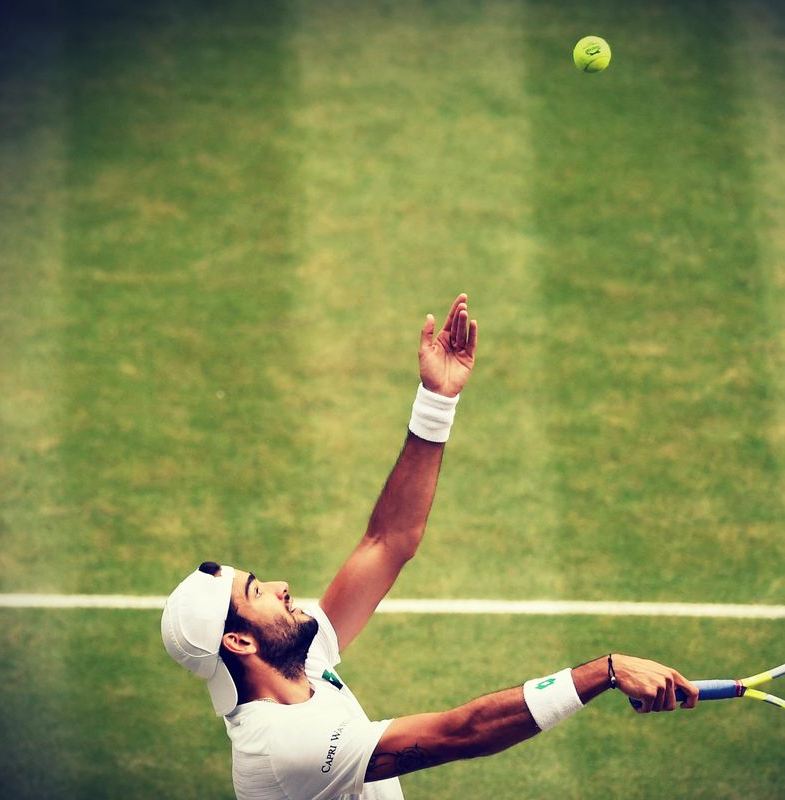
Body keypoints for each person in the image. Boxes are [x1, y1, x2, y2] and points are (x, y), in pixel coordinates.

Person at [161, 294, 698, 800]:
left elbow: (388, 542)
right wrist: (602, 672)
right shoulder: (280, 749)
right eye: (257, 591)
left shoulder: (303, 659)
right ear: (239, 642)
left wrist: (436, 402)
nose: (281, 587)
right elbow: (460, 733)